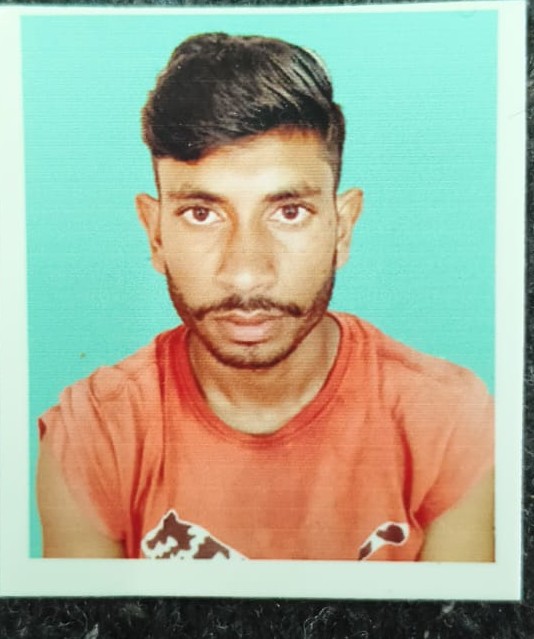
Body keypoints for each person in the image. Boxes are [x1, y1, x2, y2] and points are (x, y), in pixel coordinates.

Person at [37, 33, 494, 561]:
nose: (246, 275)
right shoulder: (94, 433)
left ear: (343, 228)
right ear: (155, 233)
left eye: (289, 212)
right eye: (202, 214)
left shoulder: (448, 420)